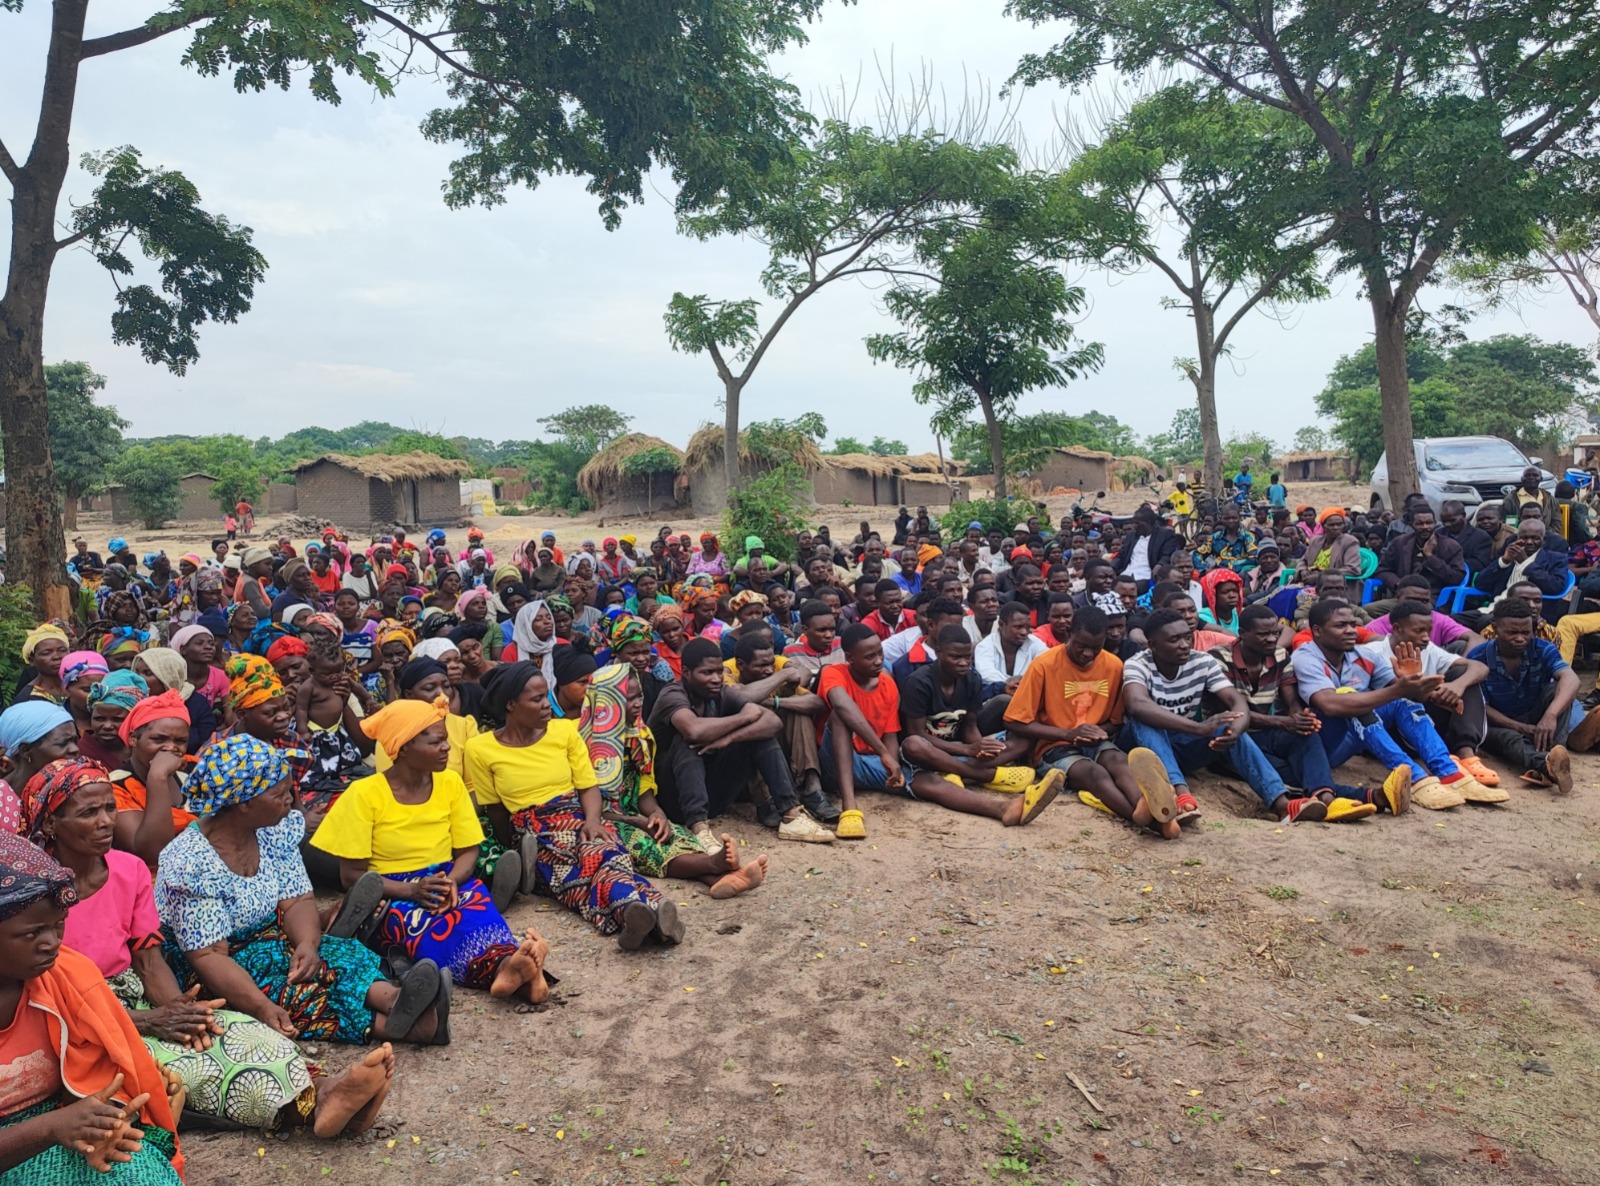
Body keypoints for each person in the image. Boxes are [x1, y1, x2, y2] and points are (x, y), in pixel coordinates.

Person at [27, 759, 396, 1137]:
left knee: (233, 1030)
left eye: (110, 808)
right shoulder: (33, 892)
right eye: (89, 812)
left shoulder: (129, 870)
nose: (106, 821)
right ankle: (312, 1108)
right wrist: (150, 1021)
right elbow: (45, 996)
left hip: (133, 997)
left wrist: (178, 1010)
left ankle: (324, 1093)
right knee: (186, 1066)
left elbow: (148, 962)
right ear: (51, 823)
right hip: (74, 1015)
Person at [155, 735, 447, 1045]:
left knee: (334, 953)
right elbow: (210, 956)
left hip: (269, 933)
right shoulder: (192, 863)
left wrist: (307, 943)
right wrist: (261, 1007)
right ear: (244, 803)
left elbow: (297, 900)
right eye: (280, 793)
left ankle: (394, 999)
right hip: (212, 963)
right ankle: (412, 1027)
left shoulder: (272, 831)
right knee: (292, 991)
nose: (291, 799)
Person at [313, 697, 552, 1002]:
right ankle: (516, 971)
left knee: (474, 905)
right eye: (436, 742)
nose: (447, 748)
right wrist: (412, 891)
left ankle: (509, 965)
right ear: (404, 747)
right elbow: (352, 876)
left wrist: (452, 881)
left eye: (446, 740)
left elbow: (468, 851)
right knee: (426, 924)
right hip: (391, 890)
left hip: (444, 878)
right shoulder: (364, 794)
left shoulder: (450, 783)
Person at [0, 831, 187, 1184]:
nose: (52, 943)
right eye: (33, 933)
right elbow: (55, 1126)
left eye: (58, 925)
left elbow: (96, 1077)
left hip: (57, 1122)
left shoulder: (68, 977)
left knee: (135, 1172)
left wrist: (106, 1120)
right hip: (34, 1136)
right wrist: (50, 1128)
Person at [466, 662, 681, 949]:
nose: (547, 704)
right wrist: (512, 848)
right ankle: (650, 912)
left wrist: (592, 820)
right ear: (510, 705)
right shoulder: (480, 748)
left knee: (601, 852)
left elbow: (587, 786)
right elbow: (496, 809)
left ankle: (632, 913)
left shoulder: (564, 731)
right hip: (532, 830)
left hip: (576, 814)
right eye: (537, 699)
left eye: (546, 695)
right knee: (571, 871)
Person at [580, 665, 767, 897]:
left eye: (639, 697)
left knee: (675, 834)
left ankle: (720, 879)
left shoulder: (639, 735)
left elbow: (644, 787)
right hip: (599, 819)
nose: (638, 704)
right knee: (641, 843)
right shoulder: (584, 744)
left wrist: (656, 812)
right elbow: (586, 803)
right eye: (629, 699)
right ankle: (716, 866)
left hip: (633, 813)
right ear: (607, 701)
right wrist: (636, 821)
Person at [1291, 600, 1490, 809]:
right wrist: (1400, 689)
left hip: (1347, 740)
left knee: (1401, 701)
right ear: (1317, 631)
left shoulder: (1364, 655)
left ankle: (1449, 772)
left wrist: (1429, 691)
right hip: (1313, 748)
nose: (1351, 631)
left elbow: (1402, 691)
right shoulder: (1305, 657)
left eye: (1353, 624)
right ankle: (1414, 778)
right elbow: (1329, 704)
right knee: (1350, 699)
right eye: (1341, 626)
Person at [1000, 607, 1175, 836]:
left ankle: (1148, 807)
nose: (1088, 653)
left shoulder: (1114, 666)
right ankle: (1155, 824)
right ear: (1069, 634)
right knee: (1095, 774)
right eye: (1081, 645)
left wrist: (1099, 732)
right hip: (1054, 746)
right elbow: (1014, 721)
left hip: (1095, 741)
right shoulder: (1044, 665)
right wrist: (1068, 734)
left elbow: (1115, 721)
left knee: (1119, 762)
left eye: (1096, 647)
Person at [649, 640, 835, 846]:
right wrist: (743, 717)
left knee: (759, 735)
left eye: (719, 672)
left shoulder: (721, 692)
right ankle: (699, 830)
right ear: (686, 672)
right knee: (688, 741)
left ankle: (792, 816)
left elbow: (773, 722)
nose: (716, 679)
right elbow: (694, 730)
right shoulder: (672, 694)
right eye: (707, 673)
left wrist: (729, 738)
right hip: (671, 797)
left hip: (711, 794)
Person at [1210, 605, 1387, 821]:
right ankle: (1366, 796)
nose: (1271, 639)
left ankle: (1331, 798)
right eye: (1263, 634)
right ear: (1242, 633)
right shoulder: (1219, 658)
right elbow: (1230, 715)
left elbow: (1292, 702)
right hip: (1232, 738)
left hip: (1266, 733)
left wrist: (1301, 720)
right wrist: (1286, 722)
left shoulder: (1280, 655)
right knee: (1293, 772)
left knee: (1305, 734)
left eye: (1275, 633)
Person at [1119, 609, 1293, 826]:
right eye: (1174, 640)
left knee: (1227, 725)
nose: (1184, 644)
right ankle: (1180, 793)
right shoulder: (1137, 664)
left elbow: (1237, 703)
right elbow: (1137, 705)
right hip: (1140, 748)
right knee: (1146, 720)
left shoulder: (1202, 661)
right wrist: (1197, 728)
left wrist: (1234, 731)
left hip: (1181, 744)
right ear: (1153, 645)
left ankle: (1280, 802)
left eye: (1187, 637)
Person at [1370, 600, 1500, 792]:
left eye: (1428, 631)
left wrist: (1457, 686)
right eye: (1419, 631)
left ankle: (1466, 754)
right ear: (1397, 629)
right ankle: (1444, 762)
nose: (1426, 637)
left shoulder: (1428, 648)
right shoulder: (1375, 652)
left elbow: (1480, 667)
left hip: (1428, 720)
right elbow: (1402, 689)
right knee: (1405, 700)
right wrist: (1436, 694)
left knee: (1464, 675)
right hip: (1397, 730)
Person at [1466, 600, 1581, 793]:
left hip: (1534, 714)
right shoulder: (1478, 657)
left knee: (1558, 691)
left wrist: (1550, 715)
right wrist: (1520, 727)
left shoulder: (1543, 648)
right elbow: (1481, 706)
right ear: (1495, 628)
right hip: (1497, 724)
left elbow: (1572, 679)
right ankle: (1547, 764)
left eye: (1526, 632)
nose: (1520, 638)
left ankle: (1556, 751)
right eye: (1512, 632)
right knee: (1510, 739)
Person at [1375, 506, 1465, 594]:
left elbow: (1457, 578)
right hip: (1403, 596)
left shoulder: (1450, 546)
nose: (1425, 527)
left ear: (1435, 524)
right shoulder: (1400, 542)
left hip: (1433, 597)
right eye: (1419, 524)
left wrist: (1430, 557)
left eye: (1429, 523)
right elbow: (1383, 569)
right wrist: (1398, 584)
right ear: (1411, 525)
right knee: (1372, 605)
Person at [975, 602, 1048, 698]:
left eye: (1028, 627)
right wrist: (1012, 685)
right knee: (1004, 699)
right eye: (1018, 627)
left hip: (1028, 696)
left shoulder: (1034, 643)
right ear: (1001, 624)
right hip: (995, 699)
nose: (1024, 632)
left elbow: (1048, 666)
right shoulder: (985, 646)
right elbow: (986, 675)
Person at [1194, 504, 1257, 572]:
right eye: (1226, 518)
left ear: (1239, 518)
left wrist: (1230, 567)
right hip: (1219, 574)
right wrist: (1204, 569)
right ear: (1221, 519)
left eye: (1234, 518)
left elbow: (1253, 559)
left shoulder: (1249, 537)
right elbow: (1197, 554)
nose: (1230, 521)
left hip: (1243, 574)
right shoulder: (1214, 538)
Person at [1438, 499, 1494, 574]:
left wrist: (1451, 565)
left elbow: (1479, 564)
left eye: (1452, 520)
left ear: (1464, 515)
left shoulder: (1481, 537)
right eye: (1444, 521)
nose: (1448, 524)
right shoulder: (1438, 534)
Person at [1303, 509, 1362, 577]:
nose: (1335, 528)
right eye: (1331, 525)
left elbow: (1352, 568)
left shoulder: (1349, 541)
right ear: (1323, 526)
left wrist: (1321, 575)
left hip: (1334, 582)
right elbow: (1303, 561)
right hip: (1310, 578)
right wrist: (1303, 571)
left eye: (1339, 524)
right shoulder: (1315, 540)